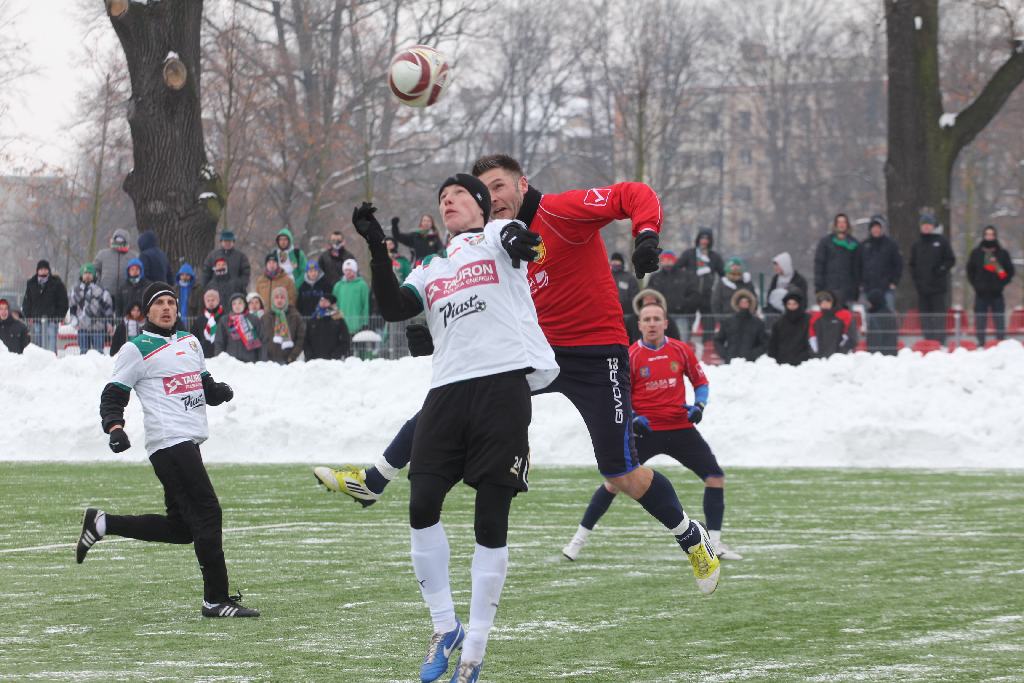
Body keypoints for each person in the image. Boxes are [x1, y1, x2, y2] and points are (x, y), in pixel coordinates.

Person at [316, 154, 720, 600]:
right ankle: (375, 479)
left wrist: (646, 236)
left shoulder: (562, 212)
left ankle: (689, 534)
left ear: (522, 185)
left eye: (499, 187)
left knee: (621, 472)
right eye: (483, 192)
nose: (492, 198)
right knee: (455, 392)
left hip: (597, 354)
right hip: (535, 351)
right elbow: (473, 300)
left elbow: (633, 194)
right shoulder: (489, 242)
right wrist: (431, 334)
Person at [353, 171, 563, 682]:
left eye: (457, 197)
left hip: (501, 390)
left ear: (482, 204)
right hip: (446, 394)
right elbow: (394, 308)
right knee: (422, 506)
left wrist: (521, 238)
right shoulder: (431, 264)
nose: (447, 203)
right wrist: (378, 249)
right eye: (441, 198)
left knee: (489, 521)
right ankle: (444, 627)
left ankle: (473, 652)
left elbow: (522, 243)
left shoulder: (494, 235)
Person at [79, 281, 258, 618]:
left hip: (188, 441)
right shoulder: (136, 348)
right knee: (208, 512)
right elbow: (113, 394)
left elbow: (201, 383)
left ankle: (103, 524)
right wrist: (114, 427)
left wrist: (217, 391)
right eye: (158, 303)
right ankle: (216, 599)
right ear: (146, 311)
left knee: (182, 529)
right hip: (168, 442)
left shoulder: (190, 342)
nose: (166, 308)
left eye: (170, 303)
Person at [562, 300, 740, 562]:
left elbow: (701, 381)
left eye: (657, 318)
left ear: (666, 323)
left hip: (680, 429)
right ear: (640, 325)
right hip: (644, 432)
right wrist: (633, 417)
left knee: (715, 477)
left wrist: (699, 405)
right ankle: (577, 541)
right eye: (647, 319)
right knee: (614, 484)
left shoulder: (681, 350)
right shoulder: (630, 355)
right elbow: (618, 395)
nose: (652, 323)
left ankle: (714, 543)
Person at [909, 214, 956, 343]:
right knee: (925, 317)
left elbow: (950, 260)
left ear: (933, 226)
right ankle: (927, 341)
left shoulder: (942, 241)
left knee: (939, 316)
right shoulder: (916, 244)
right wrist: (917, 280)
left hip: (938, 288)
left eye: (929, 225)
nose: (926, 227)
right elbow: (912, 265)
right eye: (924, 225)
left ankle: (940, 341)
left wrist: (941, 269)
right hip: (922, 288)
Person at [966, 225, 1015, 345]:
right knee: (980, 319)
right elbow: (970, 271)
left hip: (997, 293)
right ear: (984, 236)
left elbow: (1009, 271)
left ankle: (1001, 342)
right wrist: (976, 285)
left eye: (992, 234)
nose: (989, 237)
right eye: (987, 234)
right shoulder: (976, 253)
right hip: (980, 293)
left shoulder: (1002, 253)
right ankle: (981, 342)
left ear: (995, 236)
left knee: (999, 319)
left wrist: (1001, 284)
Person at [678, 228, 723, 341]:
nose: (704, 241)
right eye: (702, 238)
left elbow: (723, 274)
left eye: (707, 238)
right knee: (687, 324)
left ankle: (708, 347)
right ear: (698, 239)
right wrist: (684, 282)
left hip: (707, 295)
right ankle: (684, 345)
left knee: (709, 325)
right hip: (690, 294)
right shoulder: (689, 254)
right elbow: (676, 269)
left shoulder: (714, 257)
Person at [813, 213, 860, 307]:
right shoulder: (825, 242)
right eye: (839, 222)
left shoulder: (854, 244)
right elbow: (819, 265)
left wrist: (856, 288)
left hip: (847, 290)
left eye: (844, 222)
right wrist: (819, 287)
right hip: (829, 288)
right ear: (835, 225)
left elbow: (857, 268)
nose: (841, 225)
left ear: (847, 225)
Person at [21, 259, 68, 353]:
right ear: (37, 270)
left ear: (48, 270)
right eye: (41, 269)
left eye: (45, 269)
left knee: (51, 345)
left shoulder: (57, 284)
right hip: (36, 320)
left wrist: (58, 317)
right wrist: (28, 316)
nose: (43, 271)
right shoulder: (31, 284)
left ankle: (51, 363)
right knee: (37, 345)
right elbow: (27, 302)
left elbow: (63, 302)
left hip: (52, 320)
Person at [859, 215, 902, 312]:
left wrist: (894, 282)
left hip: (886, 289)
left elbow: (898, 265)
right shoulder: (863, 245)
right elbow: (857, 266)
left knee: (888, 315)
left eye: (878, 227)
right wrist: (860, 283)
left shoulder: (891, 245)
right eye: (874, 227)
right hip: (868, 289)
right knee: (869, 317)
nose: (876, 230)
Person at [70, 263, 114, 355]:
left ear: (94, 275)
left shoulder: (101, 290)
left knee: (99, 353)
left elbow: (108, 307)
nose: (87, 276)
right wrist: (74, 320)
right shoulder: (76, 290)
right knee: (83, 352)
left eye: (90, 273)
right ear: (81, 275)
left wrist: (109, 322)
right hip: (82, 326)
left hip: (98, 326)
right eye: (85, 273)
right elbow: (72, 307)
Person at [713, 289, 768, 363]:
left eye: (746, 302)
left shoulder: (758, 323)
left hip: (750, 364)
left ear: (750, 303)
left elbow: (765, 343)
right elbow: (718, 340)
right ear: (737, 303)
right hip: (731, 363)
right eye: (742, 302)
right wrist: (726, 354)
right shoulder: (728, 322)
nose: (744, 304)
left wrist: (753, 355)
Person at [199, 230, 251, 298]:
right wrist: (208, 287)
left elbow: (246, 273)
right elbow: (206, 273)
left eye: (229, 241)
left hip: (235, 293)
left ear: (233, 242)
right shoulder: (212, 256)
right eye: (225, 241)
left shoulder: (240, 256)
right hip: (216, 294)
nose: (227, 243)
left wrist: (239, 285)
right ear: (221, 242)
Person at [260, 285, 305, 364]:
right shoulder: (265, 317)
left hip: (289, 361)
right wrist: (265, 356)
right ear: (272, 300)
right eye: (276, 297)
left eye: (282, 297)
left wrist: (292, 356)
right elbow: (261, 339)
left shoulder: (295, 316)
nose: (279, 300)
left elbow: (300, 339)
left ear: (286, 299)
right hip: (269, 362)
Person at [215, 294, 262, 362]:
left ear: (245, 304)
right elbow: (219, 342)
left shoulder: (253, 319)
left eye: (240, 303)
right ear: (231, 306)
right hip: (231, 362)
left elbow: (262, 340)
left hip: (250, 362)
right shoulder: (225, 320)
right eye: (234, 303)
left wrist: (261, 361)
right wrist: (220, 359)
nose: (237, 306)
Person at [768, 292, 810, 366]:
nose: (791, 306)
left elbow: (810, 342)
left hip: (803, 364)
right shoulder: (779, 323)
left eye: (794, 304)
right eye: (789, 304)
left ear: (799, 304)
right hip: (782, 364)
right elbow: (773, 344)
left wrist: (805, 357)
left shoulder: (808, 321)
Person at [808, 290, 855, 358]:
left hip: (840, 358)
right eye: (822, 302)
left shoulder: (844, 315)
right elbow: (811, 339)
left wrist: (841, 354)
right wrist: (816, 355)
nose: (825, 304)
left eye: (828, 301)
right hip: (821, 358)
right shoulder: (815, 318)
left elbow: (851, 337)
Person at [305, 294, 351, 360]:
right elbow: (305, 340)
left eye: (326, 301)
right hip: (313, 361)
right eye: (321, 300)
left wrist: (336, 355)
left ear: (331, 303)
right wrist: (308, 354)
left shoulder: (338, 320)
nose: (323, 302)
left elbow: (345, 340)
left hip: (332, 362)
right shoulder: (313, 319)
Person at [710, 257, 756, 323]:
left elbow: (754, 300)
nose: (735, 269)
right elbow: (716, 303)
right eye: (733, 267)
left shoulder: (747, 282)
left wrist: (752, 314)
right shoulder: (722, 283)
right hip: (728, 320)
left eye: (737, 267)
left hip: (746, 320)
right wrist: (720, 319)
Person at [94, 228, 137, 298]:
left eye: (121, 240)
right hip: (106, 294)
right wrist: (98, 285)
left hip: (126, 295)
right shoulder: (103, 254)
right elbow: (94, 270)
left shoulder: (133, 256)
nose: (119, 243)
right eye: (117, 240)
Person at [331, 259, 369, 332]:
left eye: (350, 270)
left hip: (357, 326)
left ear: (355, 271)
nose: (348, 272)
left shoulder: (362, 285)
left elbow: (365, 305)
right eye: (346, 270)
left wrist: (365, 322)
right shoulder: (338, 286)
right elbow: (334, 305)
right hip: (341, 326)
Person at [191, 289, 223, 358]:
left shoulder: (224, 317)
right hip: (205, 355)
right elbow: (193, 337)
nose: (210, 302)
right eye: (208, 300)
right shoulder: (200, 320)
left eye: (213, 300)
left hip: (221, 355)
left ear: (218, 301)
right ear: (205, 302)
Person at [865, 290, 899, 355]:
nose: (869, 305)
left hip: (879, 356)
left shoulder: (875, 317)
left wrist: (872, 355)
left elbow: (874, 339)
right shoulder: (890, 314)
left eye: (870, 302)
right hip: (891, 354)